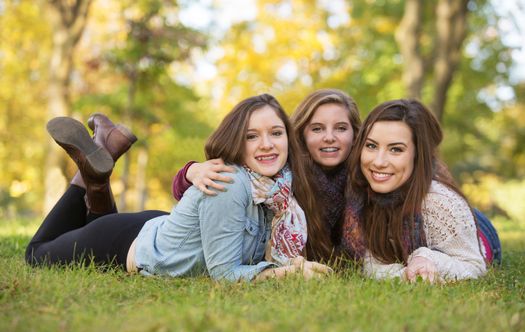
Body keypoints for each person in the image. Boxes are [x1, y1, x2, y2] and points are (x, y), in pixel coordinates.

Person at [25, 94, 332, 282]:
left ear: (287, 139)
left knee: (88, 226)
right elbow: (224, 275)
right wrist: (285, 274)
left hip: (159, 229)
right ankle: (90, 174)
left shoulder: (278, 186)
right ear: (237, 141)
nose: (267, 144)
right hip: (122, 244)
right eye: (252, 136)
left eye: (276, 133)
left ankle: (102, 159)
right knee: (36, 253)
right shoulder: (228, 183)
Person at [171, 89, 361, 262]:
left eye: (341, 128)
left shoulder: (366, 176)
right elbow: (194, 193)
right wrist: (191, 171)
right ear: (301, 134)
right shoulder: (281, 170)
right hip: (173, 238)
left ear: (355, 134)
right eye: (317, 128)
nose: (329, 137)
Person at [341, 99, 501, 283]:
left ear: (418, 155)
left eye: (395, 149)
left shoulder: (441, 202)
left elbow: (474, 266)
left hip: (471, 233)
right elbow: (370, 264)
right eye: (371, 146)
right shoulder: (357, 192)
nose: (378, 161)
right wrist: (404, 275)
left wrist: (426, 257)